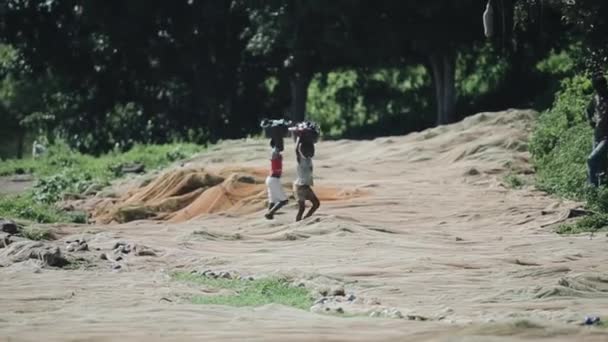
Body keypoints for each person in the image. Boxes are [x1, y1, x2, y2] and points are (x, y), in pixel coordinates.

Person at [586, 73, 608, 187]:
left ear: (604, 86)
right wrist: (591, 120)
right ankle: (600, 193)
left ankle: (592, 187)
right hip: (597, 135)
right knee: (601, 165)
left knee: (591, 159)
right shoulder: (595, 98)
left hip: (606, 136)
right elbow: (588, 110)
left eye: (599, 87)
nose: (598, 90)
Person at [293, 136, 320, 221]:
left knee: (316, 204)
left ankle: (305, 220)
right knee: (302, 209)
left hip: (306, 187)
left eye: (312, 150)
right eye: (308, 150)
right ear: (303, 151)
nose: (311, 152)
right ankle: (297, 225)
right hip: (300, 187)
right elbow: (296, 150)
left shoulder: (309, 159)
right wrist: (298, 139)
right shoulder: (301, 159)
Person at [264, 137, 289, 220]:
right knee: (284, 201)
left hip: (271, 179)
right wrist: (277, 138)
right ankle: (270, 213)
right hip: (274, 179)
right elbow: (276, 150)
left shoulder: (275, 152)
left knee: (272, 201)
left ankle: (269, 217)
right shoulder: (275, 151)